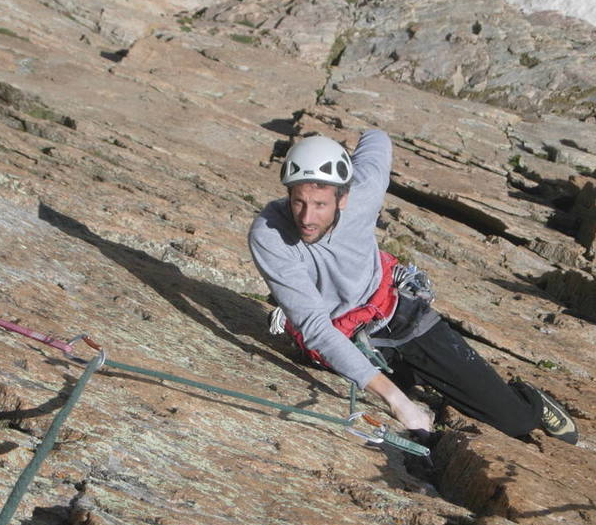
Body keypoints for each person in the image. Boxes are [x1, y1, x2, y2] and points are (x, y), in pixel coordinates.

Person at [248, 129, 578, 445]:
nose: (306, 218)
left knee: (515, 422)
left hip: (398, 314)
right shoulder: (270, 235)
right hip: (340, 334)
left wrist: (400, 403)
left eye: (320, 204)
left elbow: (378, 140)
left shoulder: (365, 191)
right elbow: (316, 329)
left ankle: (529, 398)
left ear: (343, 198)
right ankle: (410, 381)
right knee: (406, 417)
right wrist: (396, 401)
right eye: (298, 202)